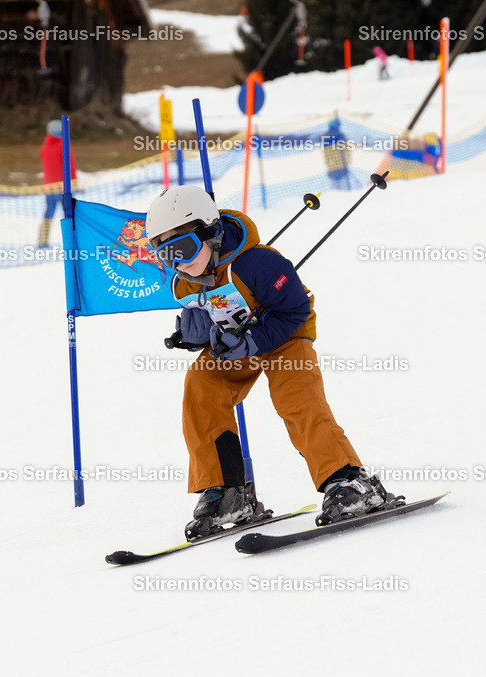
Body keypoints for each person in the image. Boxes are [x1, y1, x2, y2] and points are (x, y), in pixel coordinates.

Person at [145, 185, 402, 540]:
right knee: (201, 385)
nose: (178, 262)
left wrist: (254, 339)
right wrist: (197, 336)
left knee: (294, 398)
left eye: (184, 248)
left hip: (285, 337)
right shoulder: (186, 284)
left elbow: (295, 309)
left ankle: (349, 480)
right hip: (237, 349)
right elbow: (213, 318)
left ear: (210, 231)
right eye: (165, 254)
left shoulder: (258, 263)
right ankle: (228, 492)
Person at [38, 119, 76, 248]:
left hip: (49, 187)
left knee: (49, 212)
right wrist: (74, 181)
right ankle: (73, 240)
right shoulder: (64, 145)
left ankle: (42, 240)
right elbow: (71, 164)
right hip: (63, 186)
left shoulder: (45, 146)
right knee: (69, 213)